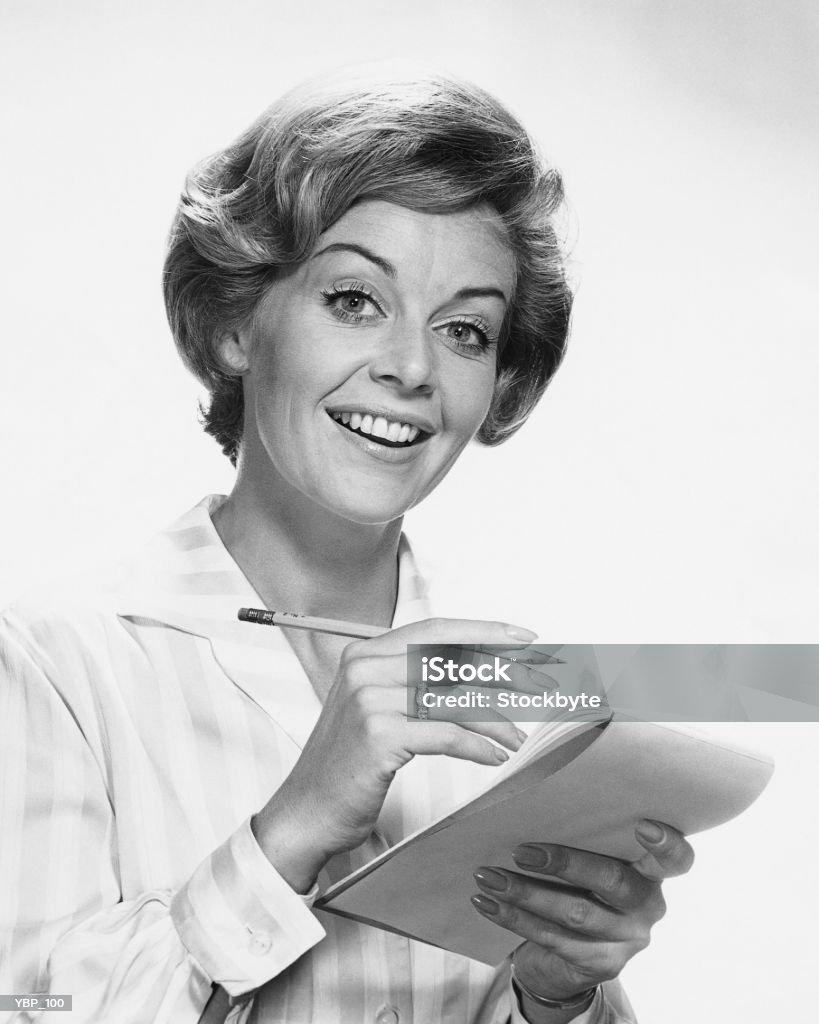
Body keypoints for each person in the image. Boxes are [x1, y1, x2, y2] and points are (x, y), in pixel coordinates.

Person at [0, 68, 693, 1024]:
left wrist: (557, 995)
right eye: (355, 300)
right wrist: (291, 826)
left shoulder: (522, 683)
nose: (412, 368)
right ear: (239, 320)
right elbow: (31, 1010)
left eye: (463, 328)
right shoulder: (50, 658)